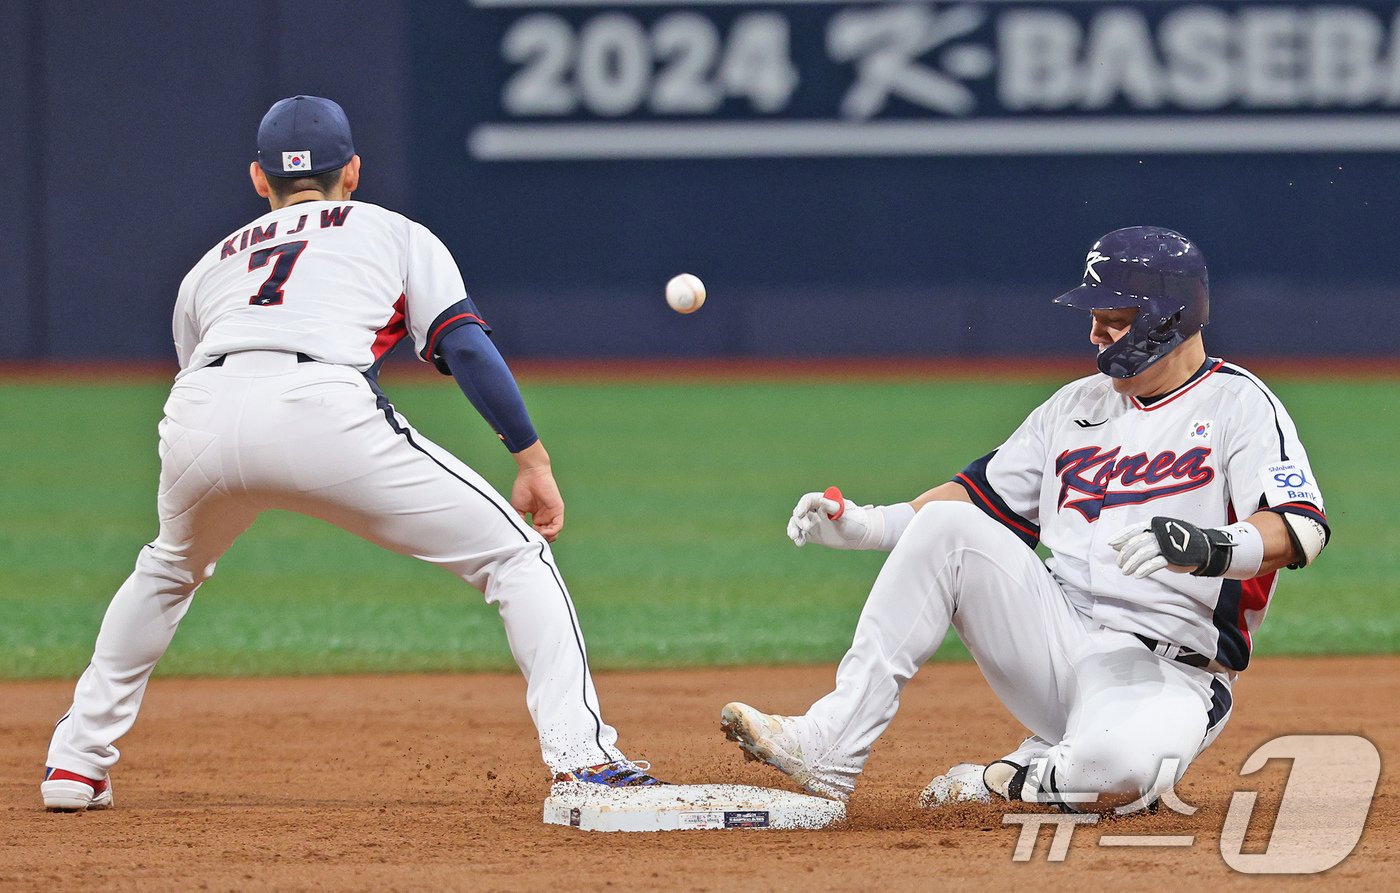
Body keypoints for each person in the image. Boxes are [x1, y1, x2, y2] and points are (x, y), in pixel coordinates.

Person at [41, 95, 663, 812]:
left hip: (200, 413)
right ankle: (583, 758)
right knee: (515, 555)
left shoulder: (209, 265)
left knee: (170, 567)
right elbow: (461, 342)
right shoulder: (392, 231)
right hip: (319, 406)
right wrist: (532, 458)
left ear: (257, 178)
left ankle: (75, 762)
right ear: (354, 171)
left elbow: (198, 371)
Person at [721, 226, 1329, 813]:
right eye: (1092, 316)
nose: (1093, 332)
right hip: (1056, 637)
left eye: (1113, 319)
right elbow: (976, 504)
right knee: (948, 530)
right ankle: (832, 741)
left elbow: (1300, 529)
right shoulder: (1074, 405)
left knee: (1117, 771)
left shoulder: (1239, 404)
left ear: (1166, 318)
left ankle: (1016, 776)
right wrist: (869, 525)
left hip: (1169, 669)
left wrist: (1209, 546)